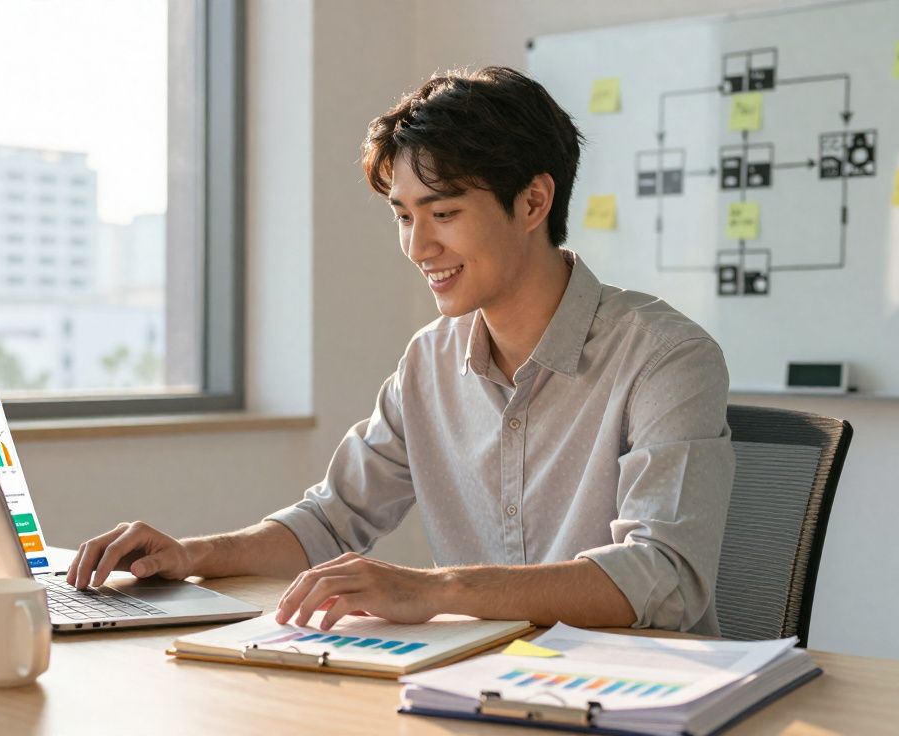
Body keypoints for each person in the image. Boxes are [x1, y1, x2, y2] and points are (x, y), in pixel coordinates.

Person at [67, 66, 735, 635]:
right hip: (483, 687)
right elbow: (332, 521)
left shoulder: (666, 356)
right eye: (403, 217)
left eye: (443, 214)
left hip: (640, 697)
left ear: (533, 201)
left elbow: (664, 576)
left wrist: (437, 590)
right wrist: (188, 554)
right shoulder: (430, 362)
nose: (418, 249)